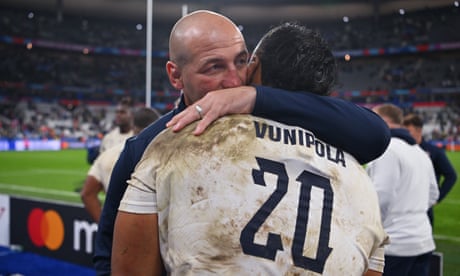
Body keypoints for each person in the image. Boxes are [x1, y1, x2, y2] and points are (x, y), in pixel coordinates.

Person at [94, 10, 390, 275]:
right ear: (175, 76)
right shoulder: (150, 148)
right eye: (214, 67)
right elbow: (111, 258)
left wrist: (256, 97)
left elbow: (376, 133)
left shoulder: (280, 117)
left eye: (241, 61)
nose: (234, 81)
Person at [366, 104, 439, 276]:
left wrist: (373, 231)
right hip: (423, 239)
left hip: (396, 244)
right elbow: (433, 193)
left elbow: (382, 196)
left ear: (383, 121)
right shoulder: (420, 152)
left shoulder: (388, 150)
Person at [80, 107, 160, 222]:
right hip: (154, 227)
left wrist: (105, 227)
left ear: (133, 126)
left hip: (119, 226)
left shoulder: (108, 155)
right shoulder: (167, 155)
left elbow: (87, 194)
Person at [403, 113, 457, 225]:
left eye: (409, 131)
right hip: (403, 204)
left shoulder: (434, 152)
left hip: (424, 207)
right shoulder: (402, 150)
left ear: (419, 131)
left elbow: (451, 175)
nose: (405, 135)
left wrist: (438, 197)